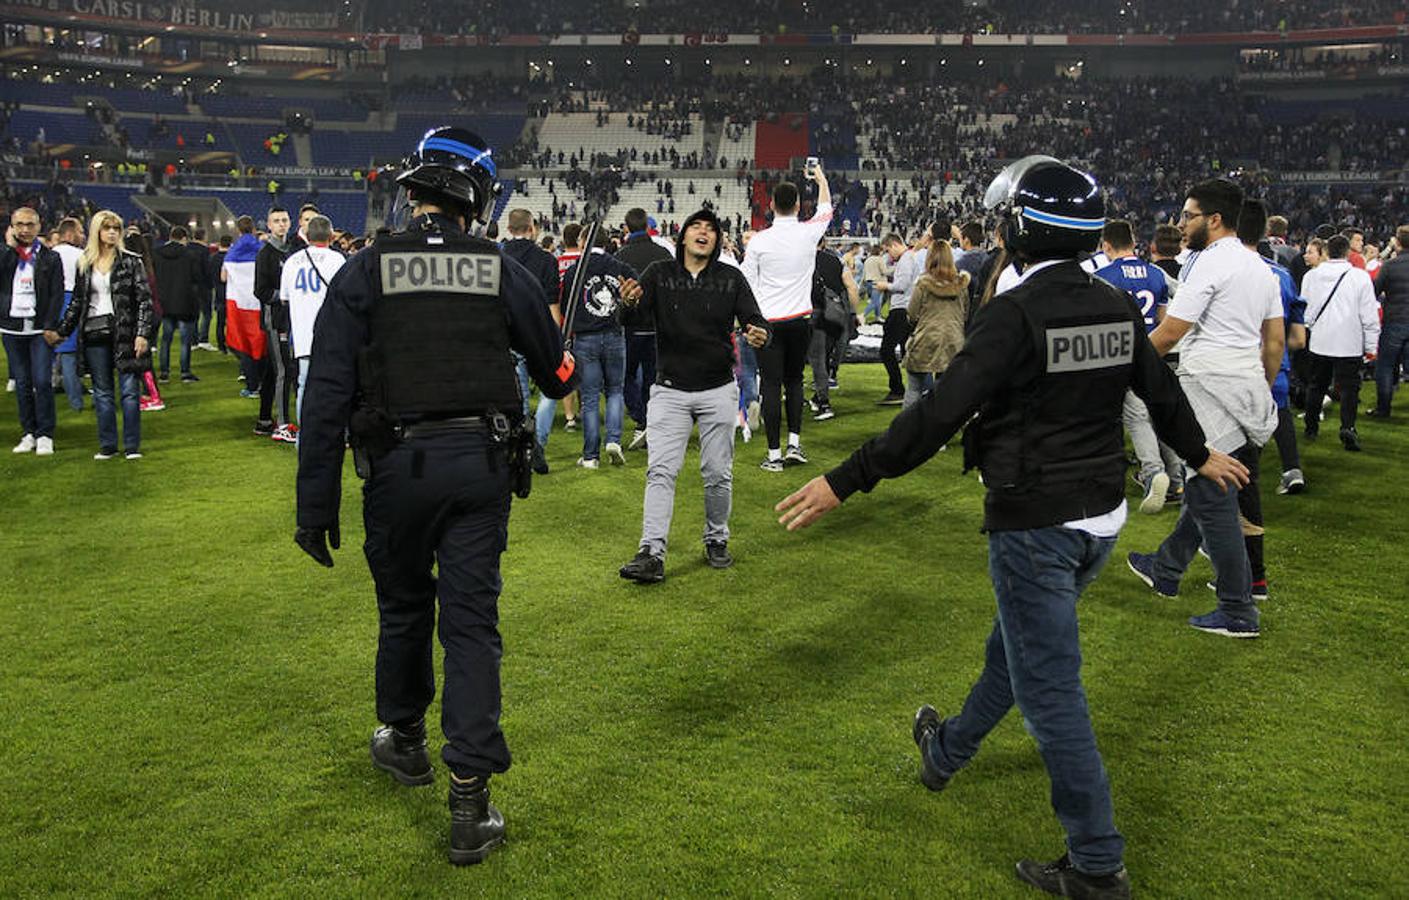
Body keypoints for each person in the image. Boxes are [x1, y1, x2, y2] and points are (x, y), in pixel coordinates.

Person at [775, 159, 1247, 900]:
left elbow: (938, 414)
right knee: (1015, 655)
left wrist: (845, 479)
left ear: (1017, 230)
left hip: (1036, 519)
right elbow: (1157, 389)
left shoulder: (1016, 312)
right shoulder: (1113, 303)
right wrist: (1197, 454)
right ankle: (946, 752)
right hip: (1100, 519)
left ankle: (1096, 864)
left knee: (1050, 692)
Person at [295, 126, 577, 866]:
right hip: (480, 466)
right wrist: (562, 367)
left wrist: (314, 506)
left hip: (394, 467)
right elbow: (555, 375)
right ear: (477, 199)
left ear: (413, 190)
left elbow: (324, 395)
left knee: (403, 609)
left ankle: (405, 739)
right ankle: (469, 803)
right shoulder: (499, 269)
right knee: (472, 624)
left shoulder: (362, 273)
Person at [1128, 178, 1282, 635]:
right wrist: (1260, 386)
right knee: (1214, 485)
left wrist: (1124, 371)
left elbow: (1171, 333)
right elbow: (1273, 341)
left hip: (1208, 386)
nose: (1181, 224)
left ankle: (1238, 609)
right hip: (1248, 388)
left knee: (1209, 493)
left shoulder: (1209, 266)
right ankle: (1167, 567)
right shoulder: (1260, 268)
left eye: (1188, 215)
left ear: (1213, 220)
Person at [617, 208, 771, 582]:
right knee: (660, 472)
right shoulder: (658, 274)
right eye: (696, 227)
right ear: (683, 236)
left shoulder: (731, 278)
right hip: (669, 390)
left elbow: (756, 319)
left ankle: (716, 539)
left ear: (717, 240)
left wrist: (759, 332)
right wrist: (628, 303)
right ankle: (651, 552)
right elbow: (632, 320)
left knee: (717, 473)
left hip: (718, 388)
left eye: (710, 229)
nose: (703, 233)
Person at [741, 165, 832, 470]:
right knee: (794, 382)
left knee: (770, 384)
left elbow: (747, 282)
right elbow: (826, 209)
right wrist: (820, 179)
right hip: (800, 321)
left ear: (770, 206)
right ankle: (794, 444)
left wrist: (750, 319)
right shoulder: (808, 233)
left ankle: (773, 455)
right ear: (797, 206)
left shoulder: (759, 242)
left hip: (768, 322)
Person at [44, 210, 154, 460]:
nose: (113, 232)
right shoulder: (85, 262)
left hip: (125, 332)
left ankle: (132, 446)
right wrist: (62, 332)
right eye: (107, 228)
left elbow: (145, 300)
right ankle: (108, 445)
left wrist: (142, 333)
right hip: (94, 333)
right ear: (97, 232)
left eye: (116, 227)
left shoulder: (131, 260)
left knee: (129, 392)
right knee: (102, 392)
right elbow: (77, 303)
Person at [1093, 220, 1178, 513]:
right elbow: (1165, 320)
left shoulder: (1101, 276)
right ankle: (1177, 477)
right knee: (1159, 414)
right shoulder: (1157, 274)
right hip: (1154, 352)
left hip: (1118, 356)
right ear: (1134, 242)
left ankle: (1153, 472)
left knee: (1134, 417)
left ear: (1106, 245)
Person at [560, 227, 636, 468]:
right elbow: (634, 298)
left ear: (583, 241)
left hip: (585, 339)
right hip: (614, 335)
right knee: (615, 390)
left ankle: (591, 456)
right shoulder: (621, 268)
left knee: (590, 398)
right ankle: (613, 441)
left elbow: (565, 307)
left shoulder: (574, 271)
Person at [1300, 234, 1380, 450]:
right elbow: (1369, 315)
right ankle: (1347, 427)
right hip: (1349, 342)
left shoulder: (1311, 277)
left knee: (1316, 385)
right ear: (1347, 252)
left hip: (1320, 341)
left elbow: (1305, 311)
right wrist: (1372, 346)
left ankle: (1311, 426)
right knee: (1349, 389)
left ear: (1326, 252)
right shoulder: (1359, 277)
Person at [2, 207, 65, 456]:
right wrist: (9, 248)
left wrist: (51, 326)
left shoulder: (50, 257)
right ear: (12, 226)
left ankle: (46, 433)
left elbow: (56, 295)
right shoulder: (5, 254)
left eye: (30, 224)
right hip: (12, 328)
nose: (25, 229)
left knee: (42, 380)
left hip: (40, 329)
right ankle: (28, 432)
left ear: (39, 226)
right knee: (23, 383)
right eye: (19, 225)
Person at [279, 214, 345, 426]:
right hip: (332, 336)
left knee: (304, 386)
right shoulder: (337, 260)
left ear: (306, 235)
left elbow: (284, 298)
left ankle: (305, 433)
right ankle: (335, 432)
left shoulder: (292, 261)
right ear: (331, 235)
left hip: (303, 336)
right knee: (335, 386)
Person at [616, 207, 673, 451]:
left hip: (631, 326)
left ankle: (641, 419)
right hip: (657, 326)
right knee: (654, 376)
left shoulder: (620, 255)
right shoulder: (663, 253)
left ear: (627, 228)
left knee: (627, 376)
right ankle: (651, 420)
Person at [254, 205, 306, 441]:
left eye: (284, 220)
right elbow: (261, 291)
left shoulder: (294, 250)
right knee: (284, 371)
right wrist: (286, 296)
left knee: (280, 371)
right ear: (269, 224)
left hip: (294, 318)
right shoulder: (265, 254)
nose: (281, 224)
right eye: (276, 220)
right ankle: (282, 425)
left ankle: (267, 419)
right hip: (275, 320)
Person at [902, 238, 969, 409]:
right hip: (953, 341)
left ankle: (908, 429)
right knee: (946, 391)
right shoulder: (961, 285)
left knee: (914, 389)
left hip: (926, 339)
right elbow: (965, 313)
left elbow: (912, 313)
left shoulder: (923, 284)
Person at [152, 225, 202, 383]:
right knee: (185, 340)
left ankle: (164, 373)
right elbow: (197, 278)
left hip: (164, 302)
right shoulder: (190, 255)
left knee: (165, 339)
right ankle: (185, 372)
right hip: (184, 302)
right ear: (184, 238)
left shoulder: (156, 254)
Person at [1369, 225, 1409, 418]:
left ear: (1398, 243)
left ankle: (1383, 409)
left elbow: (1374, 292)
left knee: (1385, 365)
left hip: (1395, 321)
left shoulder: (1390, 266)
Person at [222, 219, 264, 395]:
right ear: (253, 229)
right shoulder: (262, 249)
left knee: (243, 342)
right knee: (261, 342)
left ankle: (251, 385)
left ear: (238, 230)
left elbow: (223, 277)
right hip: (260, 302)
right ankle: (263, 382)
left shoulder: (232, 252)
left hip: (239, 304)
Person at [871, 232, 913, 403]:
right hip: (905, 308)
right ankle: (915, 390)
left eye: (888, 250)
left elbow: (902, 285)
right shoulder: (908, 258)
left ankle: (897, 389)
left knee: (887, 350)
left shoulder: (905, 260)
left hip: (901, 309)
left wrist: (885, 285)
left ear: (894, 244)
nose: (888, 254)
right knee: (906, 352)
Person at [50, 217, 85, 411]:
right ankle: (76, 403)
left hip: (50, 304)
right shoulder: (81, 255)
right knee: (69, 356)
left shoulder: (48, 254)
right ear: (70, 234)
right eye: (80, 232)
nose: (83, 235)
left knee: (53, 355)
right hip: (71, 302)